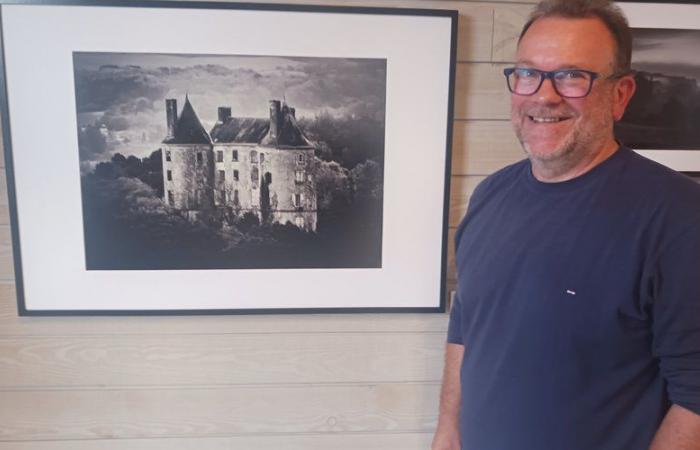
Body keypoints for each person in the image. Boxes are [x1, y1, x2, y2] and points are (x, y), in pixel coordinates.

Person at [432, 0, 700, 449]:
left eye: (572, 75)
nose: (543, 95)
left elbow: (695, 394)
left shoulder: (679, 216)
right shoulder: (489, 195)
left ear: (620, 94)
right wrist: (447, 434)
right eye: (527, 73)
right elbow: (465, 330)